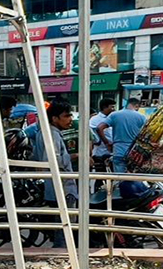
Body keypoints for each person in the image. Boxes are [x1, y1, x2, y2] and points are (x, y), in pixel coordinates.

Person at [24, 100, 78, 247]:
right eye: (66, 116)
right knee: (65, 226)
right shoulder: (51, 135)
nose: (70, 119)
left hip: (54, 187)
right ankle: (62, 253)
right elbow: (53, 160)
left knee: (61, 225)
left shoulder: (44, 133)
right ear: (54, 118)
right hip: (63, 186)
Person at [98, 98, 149, 173]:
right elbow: (147, 134)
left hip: (119, 151)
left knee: (120, 179)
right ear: (137, 106)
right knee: (135, 179)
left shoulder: (114, 115)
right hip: (135, 153)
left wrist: (107, 143)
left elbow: (99, 128)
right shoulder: (141, 117)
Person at [89, 98, 117, 170]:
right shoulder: (94, 119)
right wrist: (107, 143)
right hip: (100, 153)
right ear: (104, 107)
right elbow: (93, 135)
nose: (114, 109)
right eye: (112, 107)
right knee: (101, 176)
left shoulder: (113, 118)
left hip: (112, 153)